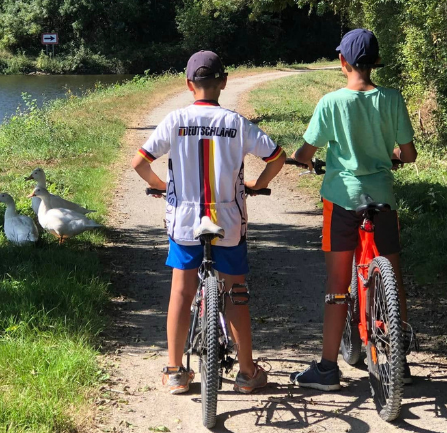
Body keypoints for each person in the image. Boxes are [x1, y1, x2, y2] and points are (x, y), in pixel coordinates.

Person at [131, 50, 285, 395]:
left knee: (181, 291)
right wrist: (258, 186)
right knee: (236, 292)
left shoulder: (175, 120)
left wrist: (162, 188)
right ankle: (246, 372)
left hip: (185, 220)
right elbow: (277, 157)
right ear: (224, 83)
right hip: (227, 219)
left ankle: (174, 371)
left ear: (189, 85)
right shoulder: (236, 123)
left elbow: (139, 162)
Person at [289, 28, 418, 391]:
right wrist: (390, 156)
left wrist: (303, 161)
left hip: (342, 200)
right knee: (392, 274)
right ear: (375, 62)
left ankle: (328, 369)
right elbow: (408, 154)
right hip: (382, 200)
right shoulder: (392, 99)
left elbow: (305, 154)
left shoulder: (331, 103)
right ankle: (400, 361)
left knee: (337, 285)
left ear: (342, 62)